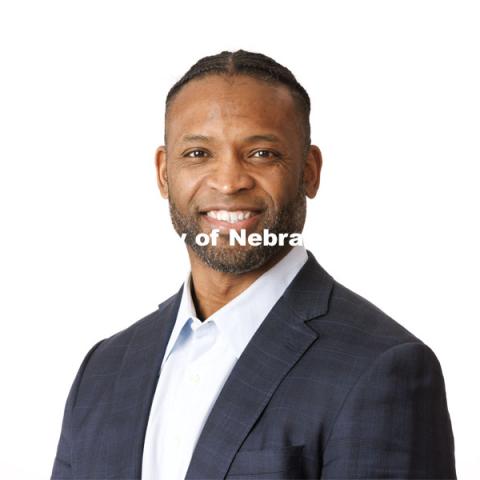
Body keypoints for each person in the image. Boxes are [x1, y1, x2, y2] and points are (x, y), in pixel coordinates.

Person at [51, 50, 456, 480]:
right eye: (197, 154)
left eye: (261, 153)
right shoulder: (104, 370)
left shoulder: (383, 368)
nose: (228, 181)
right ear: (164, 173)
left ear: (309, 171)